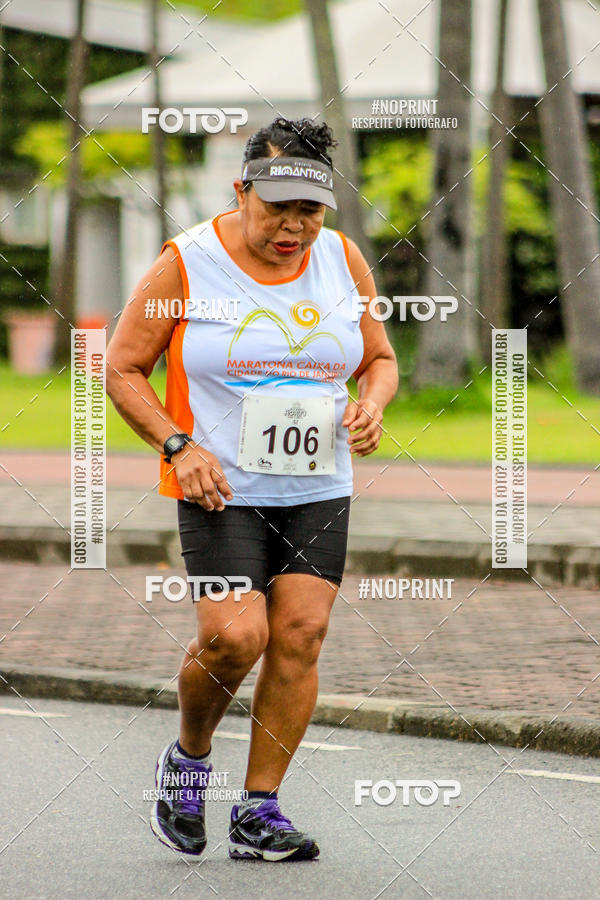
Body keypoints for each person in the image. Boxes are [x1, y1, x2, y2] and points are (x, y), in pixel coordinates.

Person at [106, 116, 398, 862]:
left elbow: (380, 358)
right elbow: (122, 367)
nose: (295, 227)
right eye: (278, 209)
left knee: (298, 637)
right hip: (219, 485)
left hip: (316, 482)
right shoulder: (189, 261)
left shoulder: (343, 259)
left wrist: (372, 403)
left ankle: (258, 810)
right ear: (241, 192)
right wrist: (177, 443)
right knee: (235, 637)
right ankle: (189, 761)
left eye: (310, 210)